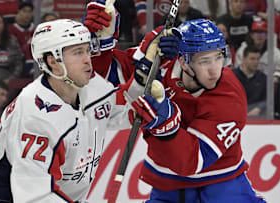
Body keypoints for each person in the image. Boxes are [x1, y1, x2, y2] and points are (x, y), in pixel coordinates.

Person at [0, 18, 177, 202]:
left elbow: (118, 111)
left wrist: (144, 74)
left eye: (87, 50)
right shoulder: (35, 114)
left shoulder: (86, 85)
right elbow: (34, 197)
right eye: (77, 53)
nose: (87, 59)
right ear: (53, 62)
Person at [85, 7, 266, 200]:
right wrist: (101, 47)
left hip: (222, 184)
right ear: (184, 62)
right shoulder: (163, 59)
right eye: (205, 61)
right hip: (168, 187)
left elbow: (193, 162)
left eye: (219, 58)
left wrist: (165, 124)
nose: (215, 71)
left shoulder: (229, 95)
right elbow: (105, 78)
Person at [233, 45, 267, 119]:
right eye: (252, 59)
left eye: (258, 59)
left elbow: (266, 99)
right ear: (244, 59)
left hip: (257, 117)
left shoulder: (262, 78)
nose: (256, 62)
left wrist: (259, 108)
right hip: (234, 116)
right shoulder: (232, 76)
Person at [9, 2, 35, 78]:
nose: (27, 14)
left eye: (29, 11)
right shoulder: (11, 29)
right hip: (18, 61)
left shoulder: (35, 28)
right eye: (24, 11)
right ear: (18, 12)